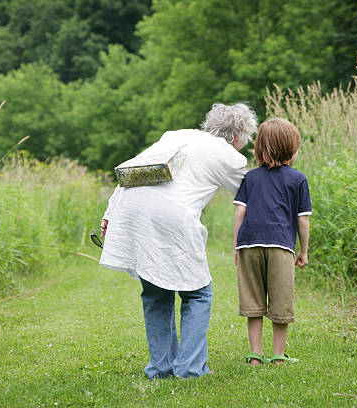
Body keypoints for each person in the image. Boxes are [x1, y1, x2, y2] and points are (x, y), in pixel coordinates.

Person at [99, 103, 257, 379]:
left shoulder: (177, 135)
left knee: (156, 292)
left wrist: (110, 212)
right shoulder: (231, 157)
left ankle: (161, 368)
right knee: (198, 293)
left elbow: (133, 168)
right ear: (237, 137)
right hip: (170, 216)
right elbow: (249, 195)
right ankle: (190, 368)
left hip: (129, 206)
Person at [232, 118, 311, 365]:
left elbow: (240, 212)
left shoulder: (251, 177)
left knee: (253, 300)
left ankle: (256, 354)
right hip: (280, 245)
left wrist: (237, 245)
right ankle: (278, 355)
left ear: (260, 148)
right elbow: (302, 221)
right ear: (291, 148)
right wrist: (304, 251)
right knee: (281, 300)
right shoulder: (297, 179)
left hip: (249, 244)